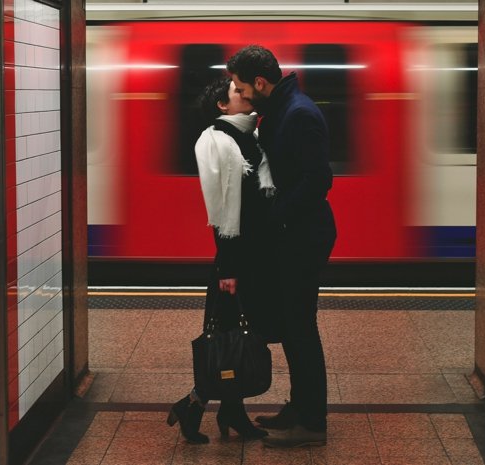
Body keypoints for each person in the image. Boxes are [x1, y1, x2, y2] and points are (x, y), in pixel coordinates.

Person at [226, 45, 337, 448]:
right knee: (293, 327)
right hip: (294, 233)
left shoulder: (300, 113)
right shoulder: (284, 108)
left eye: (241, 86)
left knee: (301, 328)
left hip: (303, 235)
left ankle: (312, 422)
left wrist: (279, 215)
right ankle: (300, 407)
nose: (239, 92)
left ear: (260, 82)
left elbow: (318, 179)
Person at [167, 76, 276, 444]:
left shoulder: (251, 135)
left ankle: (232, 412)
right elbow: (222, 206)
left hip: (254, 254)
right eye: (237, 91)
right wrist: (228, 267)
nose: (245, 94)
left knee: (237, 339)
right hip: (234, 258)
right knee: (226, 339)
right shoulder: (215, 141)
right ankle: (193, 404)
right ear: (222, 105)